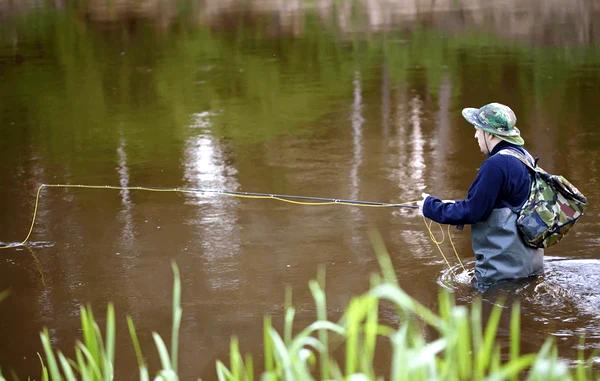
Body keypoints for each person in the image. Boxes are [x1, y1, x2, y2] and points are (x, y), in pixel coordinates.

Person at [419, 102, 543, 291]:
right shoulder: (523, 156)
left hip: (501, 273)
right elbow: (498, 203)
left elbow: (474, 212)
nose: (475, 135)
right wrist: (452, 205)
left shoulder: (496, 165)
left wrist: (429, 207)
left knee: (488, 313)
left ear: (490, 134)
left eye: (478, 129)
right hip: (530, 265)